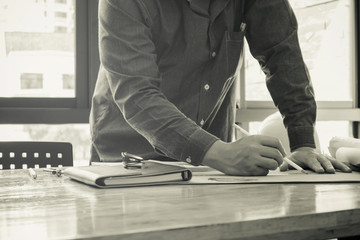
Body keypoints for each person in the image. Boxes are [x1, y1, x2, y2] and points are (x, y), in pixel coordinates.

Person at [90, 0, 351, 175]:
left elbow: (283, 56)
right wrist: (216, 152)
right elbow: (137, 95)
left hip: (215, 165)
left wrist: (303, 143)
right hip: (129, 162)